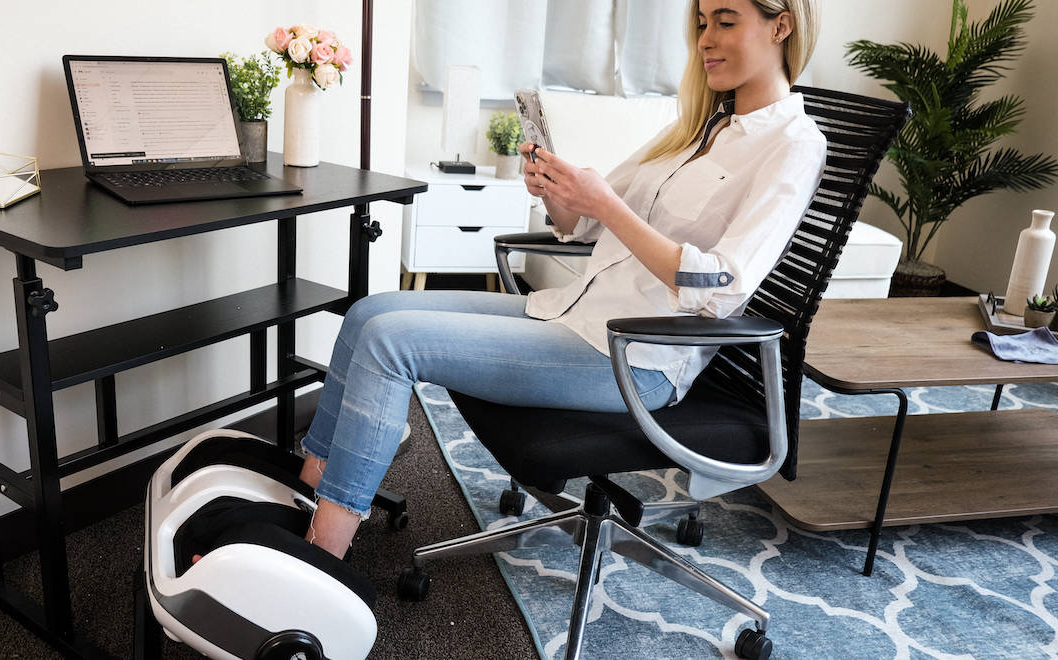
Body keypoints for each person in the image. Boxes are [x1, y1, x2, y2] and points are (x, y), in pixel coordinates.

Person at [297, 0, 825, 559]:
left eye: (725, 21)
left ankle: (321, 554)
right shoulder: (698, 127)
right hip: (577, 313)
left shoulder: (792, 144)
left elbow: (721, 286)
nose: (705, 39)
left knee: (389, 342)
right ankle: (305, 494)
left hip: (635, 356)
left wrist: (607, 205)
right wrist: (557, 192)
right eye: (701, 23)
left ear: (781, 24)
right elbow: (584, 222)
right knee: (370, 312)